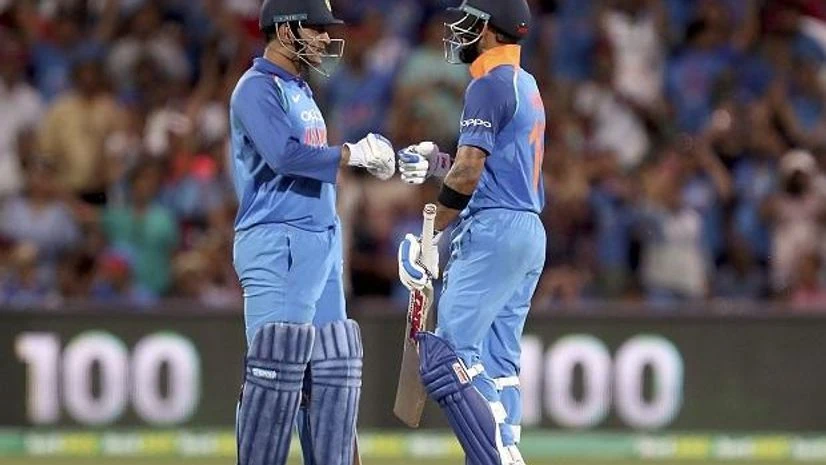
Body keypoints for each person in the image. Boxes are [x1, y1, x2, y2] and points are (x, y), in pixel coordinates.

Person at [228, 1, 396, 464]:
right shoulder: (256, 88)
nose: (325, 39)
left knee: (334, 373)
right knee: (275, 375)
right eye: (317, 29)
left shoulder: (301, 89)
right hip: (276, 240)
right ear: (285, 31)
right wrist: (351, 155)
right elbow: (283, 156)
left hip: (320, 239)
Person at [396, 1, 545, 464]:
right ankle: (509, 450)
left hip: (494, 228)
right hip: (527, 230)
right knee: (497, 363)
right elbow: (491, 161)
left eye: (467, 22)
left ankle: (494, 457)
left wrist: (428, 233)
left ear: (487, 28)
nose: (459, 31)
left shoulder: (488, 85)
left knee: (447, 356)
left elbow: (470, 172)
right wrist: (436, 161)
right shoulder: (525, 83)